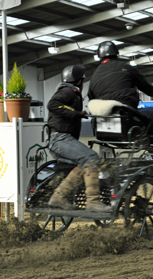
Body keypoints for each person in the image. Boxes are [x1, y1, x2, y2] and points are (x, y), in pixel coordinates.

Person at [47, 64, 111, 212]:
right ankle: (92, 201)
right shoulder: (68, 91)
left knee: (84, 162)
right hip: (60, 139)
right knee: (91, 157)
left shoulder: (68, 91)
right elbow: (53, 104)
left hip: (60, 140)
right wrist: (76, 113)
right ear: (80, 81)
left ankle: (60, 196)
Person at [88, 40, 153, 148]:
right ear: (116, 54)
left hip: (105, 127)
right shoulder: (125, 68)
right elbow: (144, 86)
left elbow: (91, 98)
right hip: (128, 119)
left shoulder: (94, 76)